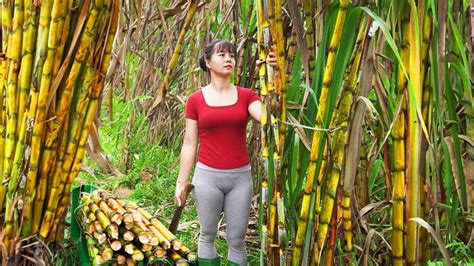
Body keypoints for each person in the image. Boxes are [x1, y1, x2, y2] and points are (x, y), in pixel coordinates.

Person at [174, 40, 277, 266]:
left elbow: (267, 118)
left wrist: (273, 76)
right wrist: (181, 182)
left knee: (237, 241)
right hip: (207, 177)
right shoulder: (195, 100)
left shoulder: (247, 95)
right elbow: (190, 144)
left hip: (240, 178)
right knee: (207, 235)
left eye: (231, 55)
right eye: (221, 55)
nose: (228, 58)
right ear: (208, 62)